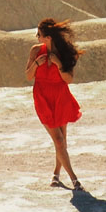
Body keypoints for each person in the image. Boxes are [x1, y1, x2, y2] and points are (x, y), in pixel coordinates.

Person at [25, 18, 82, 190]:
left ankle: (56, 174)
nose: (37, 37)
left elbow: (69, 79)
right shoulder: (36, 51)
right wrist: (36, 64)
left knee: (62, 140)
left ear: (48, 37)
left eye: (39, 34)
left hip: (60, 97)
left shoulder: (63, 54)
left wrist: (59, 66)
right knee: (58, 139)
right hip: (42, 97)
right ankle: (75, 180)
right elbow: (28, 76)